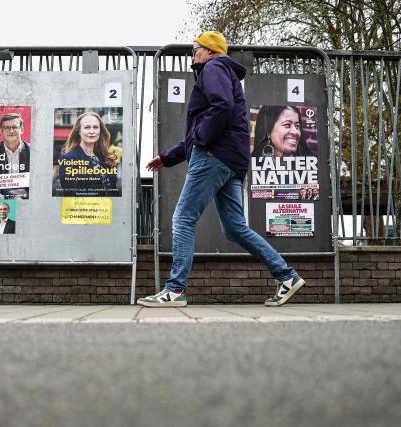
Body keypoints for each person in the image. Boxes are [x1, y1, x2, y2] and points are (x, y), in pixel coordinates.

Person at [138, 31, 305, 308]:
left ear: (210, 51)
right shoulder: (225, 73)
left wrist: (203, 143)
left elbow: (220, 110)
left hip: (213, 157)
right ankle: (286, 276)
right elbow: (202, 130)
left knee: (183, 219)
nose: (193, 55)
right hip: (231, 161)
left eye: (196, 49)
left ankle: (175, 290)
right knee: (235, 228)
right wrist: (167, 157)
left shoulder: (213, 67)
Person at [58, 112, 119, 196]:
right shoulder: (69, 158)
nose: (92, 131)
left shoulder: (104, 156)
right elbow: (71, 194)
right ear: (79, 131)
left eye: (95, 127)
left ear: (100, 131)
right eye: (87, 127)